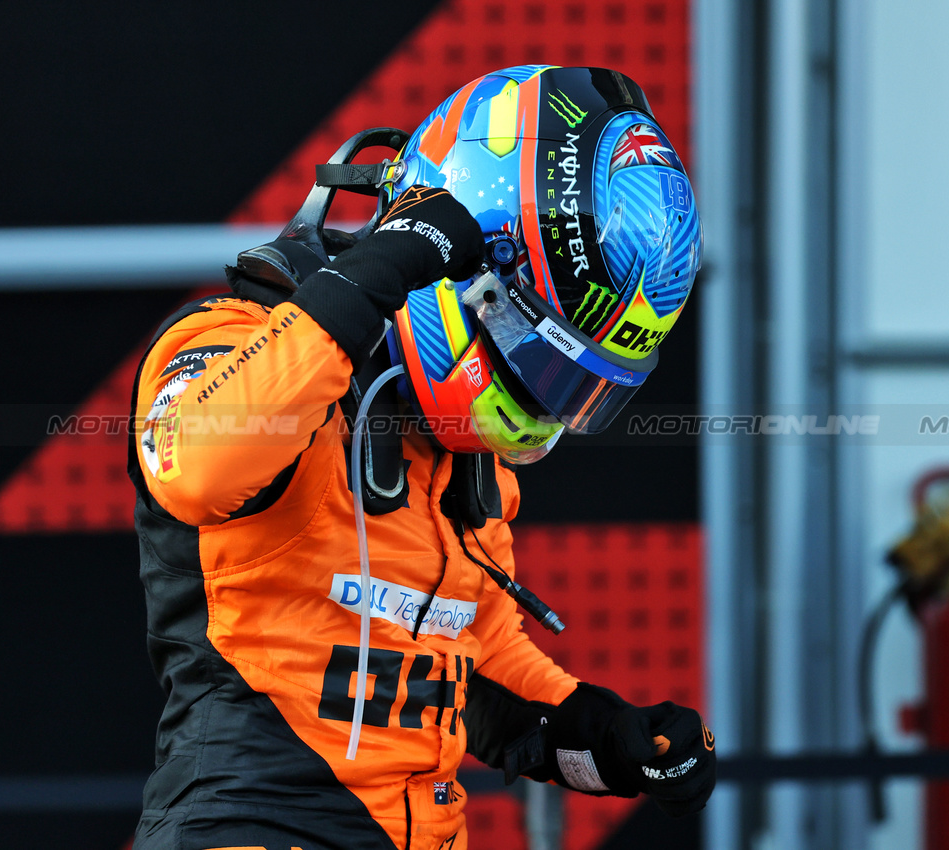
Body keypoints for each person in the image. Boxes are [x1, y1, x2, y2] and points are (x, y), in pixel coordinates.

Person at [128, 65, 714, 850]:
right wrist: (384, 264)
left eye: (573, 382)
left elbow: (470, 659)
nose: (544, 399)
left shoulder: (458, 447)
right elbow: (196, 466)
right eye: (541, 361)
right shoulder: (229, 337)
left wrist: (603, 737)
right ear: (462, 272)